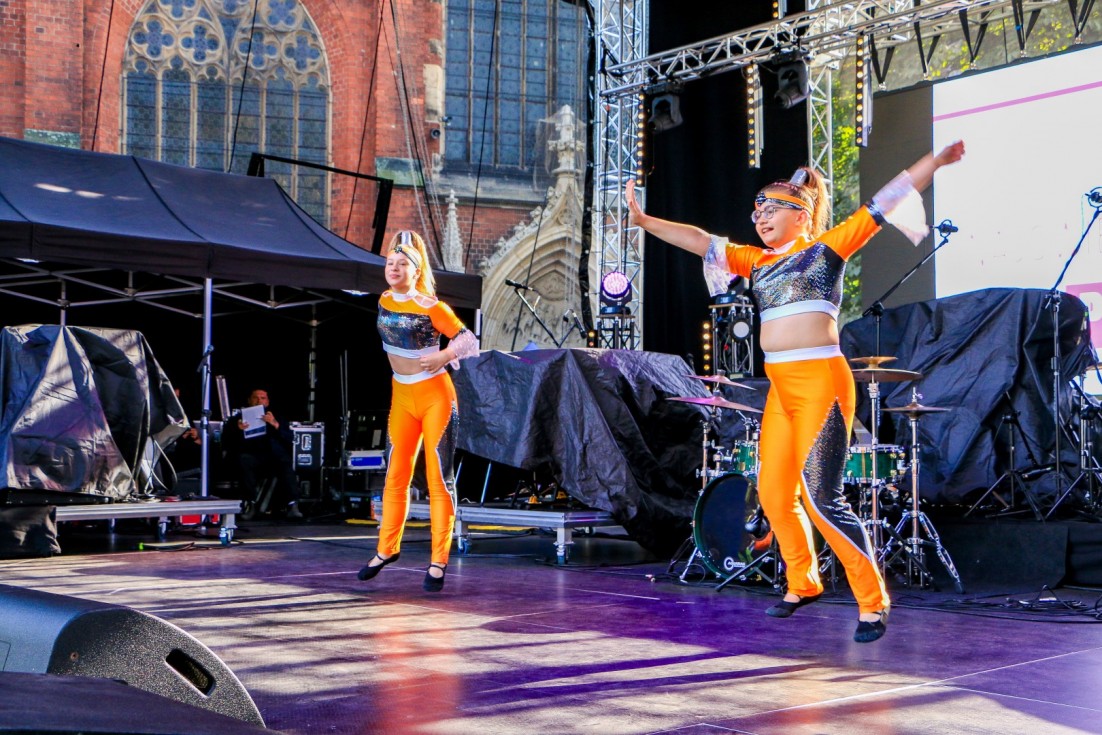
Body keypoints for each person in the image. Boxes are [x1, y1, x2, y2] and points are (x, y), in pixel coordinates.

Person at [627, 141, 966, 642]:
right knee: (772, 492)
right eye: (756, 210)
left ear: (801, 215)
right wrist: (645, 221)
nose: (759, 217)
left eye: (770, 209)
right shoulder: (756, 262)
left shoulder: (826, 251)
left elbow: (886, 199)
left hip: (821, 384)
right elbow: (700, 241)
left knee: (823, 498)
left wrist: (933, 163)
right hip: (781, 389)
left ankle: (872, 602)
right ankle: (803, 581)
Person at [357, 230, 479, 592]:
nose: (393, 268)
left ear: (417, 270)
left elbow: (468, 339)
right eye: (390, 263)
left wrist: (444, 355)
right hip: (402, 395)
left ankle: (438, 561)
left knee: (438, 478)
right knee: (395, 475)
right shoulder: (383, 299)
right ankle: (386, 549)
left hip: (435, 395)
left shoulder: (430, 306)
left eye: (401, 264)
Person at [221, 388, 303, 520]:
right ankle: (250, 504)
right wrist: (238, 430)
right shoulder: (237, 419)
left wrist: (275, 424)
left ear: (267, 402)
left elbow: (289, 438)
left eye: (263, 398)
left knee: (285, 461)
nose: (259, 401)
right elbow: (225, 442)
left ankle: (292, 505)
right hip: (249, 456)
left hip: (272, 457)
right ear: (249, 400)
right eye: (255, 398)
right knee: (244, 460)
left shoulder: (276, 417)